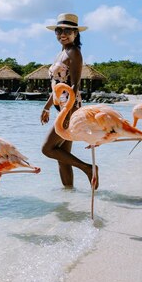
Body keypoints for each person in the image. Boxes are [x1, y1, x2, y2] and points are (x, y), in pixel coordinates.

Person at [40, 13, 96, 188]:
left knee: (47, 149)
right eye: (59, 30)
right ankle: (69, 196)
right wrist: (47, 107)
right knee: (62, 157)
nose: (62, 34)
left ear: (75, 33)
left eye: (67, 31)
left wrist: (67, 115)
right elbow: (58, 86)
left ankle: (88, 168)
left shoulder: (74, 53)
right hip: (62, 107)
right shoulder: (62, 52)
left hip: (69, 109)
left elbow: (75, 87)